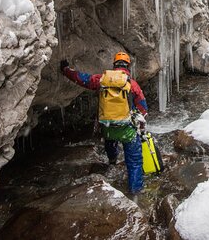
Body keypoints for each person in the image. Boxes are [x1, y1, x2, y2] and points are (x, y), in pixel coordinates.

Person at [60, 52, 148, 194]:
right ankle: (135, 191)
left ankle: (112, 162)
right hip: (126, 129)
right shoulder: (132, 84)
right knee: (134, 162)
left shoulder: (101, 80)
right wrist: (141, 122)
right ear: (128, 67)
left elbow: (82, 79)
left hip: (107, 127)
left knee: (110, 141)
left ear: (114, 65)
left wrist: (66, 70)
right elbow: (143, 108)